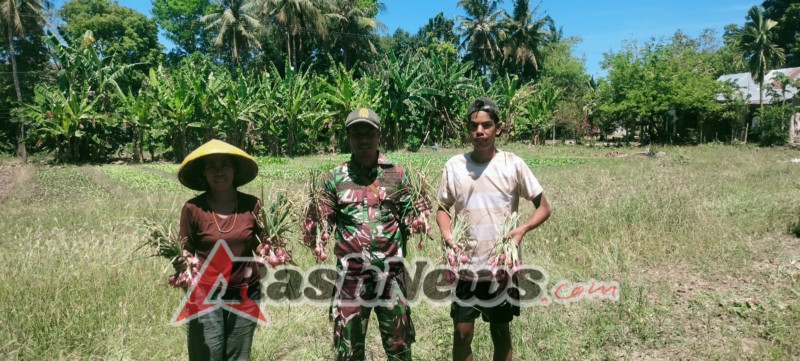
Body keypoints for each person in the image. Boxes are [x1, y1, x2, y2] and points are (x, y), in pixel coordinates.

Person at [436, 97, 551, 361]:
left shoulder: (513, 164)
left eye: (486, 125)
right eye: (474, 126)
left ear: (498, 128)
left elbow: (544, 208)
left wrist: (521, 230)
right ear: (467, 129)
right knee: (462, 334)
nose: (480, 131)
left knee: (500, 333)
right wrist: (446, 231)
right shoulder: (454, 166)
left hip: (501, 269)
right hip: (465, 268)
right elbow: (442, 208)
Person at [305, 108, 422, 361]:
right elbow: (323, 218)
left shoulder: (396, 174)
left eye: (369, 132)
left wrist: (418, 222)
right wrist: (314, 227)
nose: (363, 139)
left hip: (391, 275)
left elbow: (411, 213)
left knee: (399, 348)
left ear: (379, 135)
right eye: (356, 133)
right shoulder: (336, 177)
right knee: (349, 351)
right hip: (351, 277)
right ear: (349, 137)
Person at [175, 139, 266, 361]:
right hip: (205, 293)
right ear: (203, 174)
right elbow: (185, 248)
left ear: (234, 170)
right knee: (208, 355)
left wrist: (268, 250)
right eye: (211, 167)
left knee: (238, 355)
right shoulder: (193, 208)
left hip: (245, 292)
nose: (219, 172)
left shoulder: (252, 204)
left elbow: (260, 242)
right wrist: (183, 262)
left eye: (225, 165)